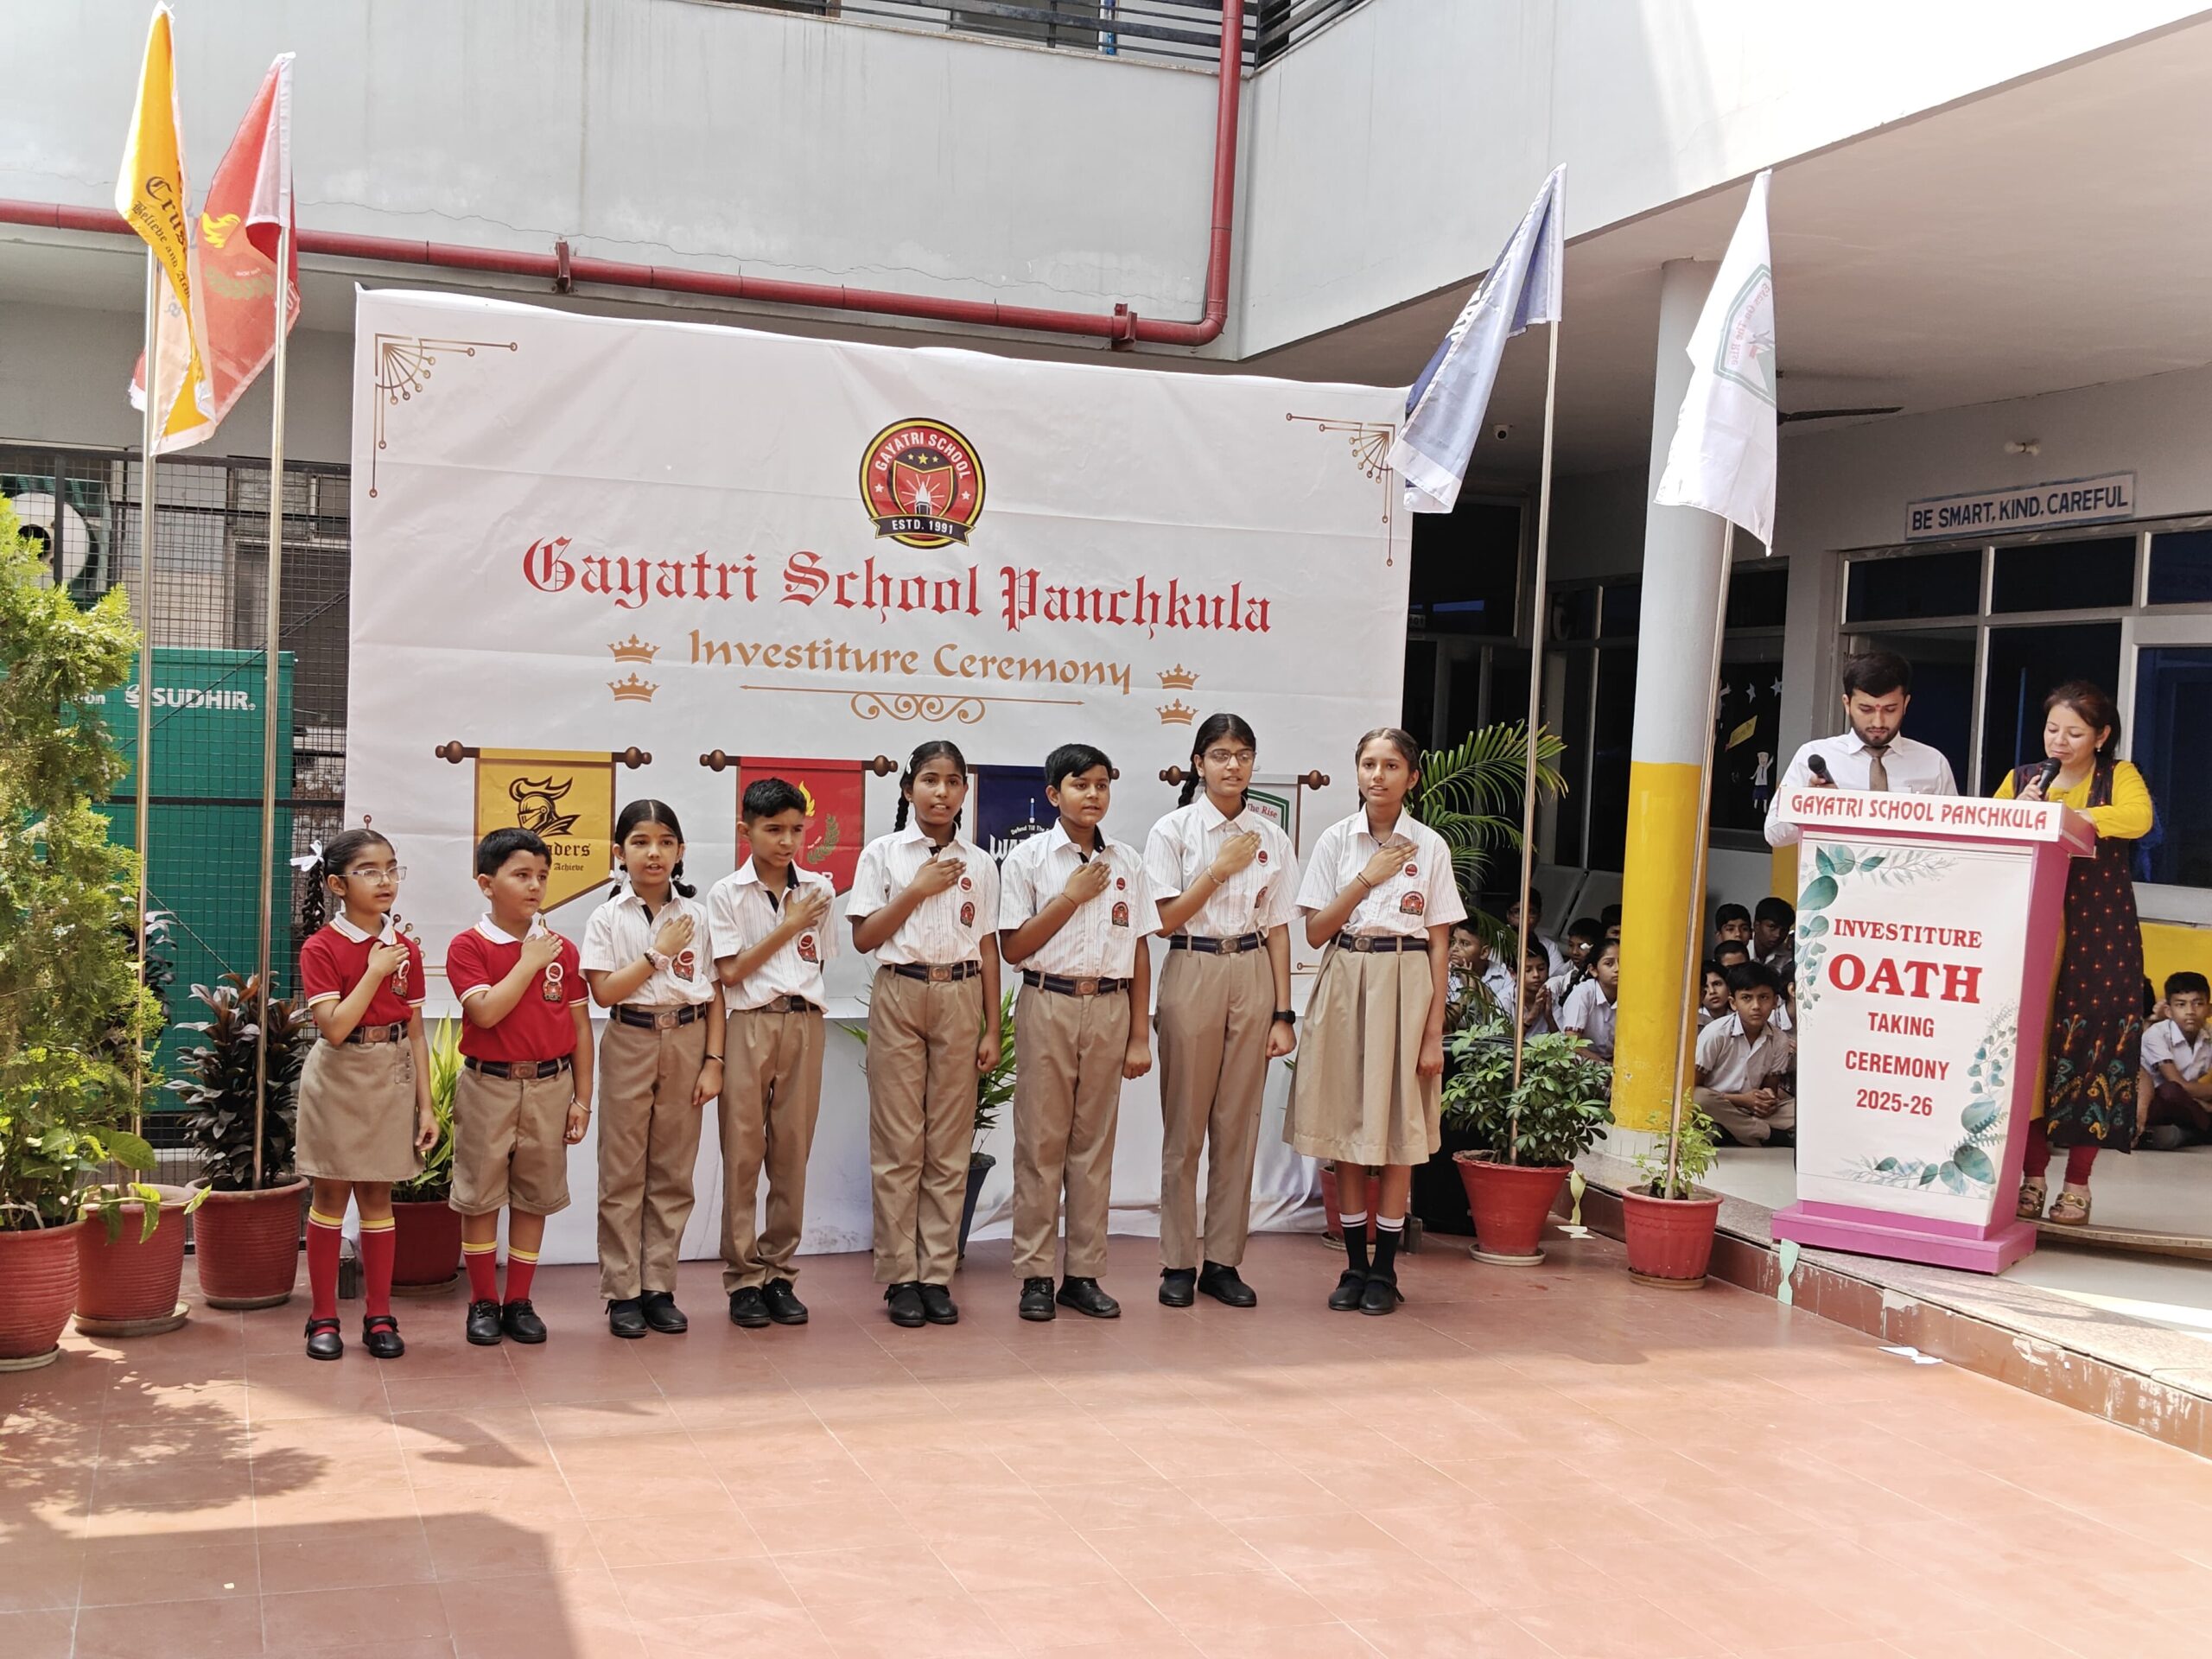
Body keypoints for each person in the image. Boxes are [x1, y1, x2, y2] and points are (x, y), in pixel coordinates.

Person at [1285, 727, 1464, 1317]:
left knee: (1396, 1131)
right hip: (1346, 976)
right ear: (1356, 771)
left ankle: (1385, 1270)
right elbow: (1315, 932)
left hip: (1406, 981)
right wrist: (1368, 877)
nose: (1377, 775)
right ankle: (1354, 1266)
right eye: (1368, 764)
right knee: (1348, 1129)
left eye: (1391, 765)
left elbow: (1439, 945)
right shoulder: (1336, 841)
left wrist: (1433, 1034)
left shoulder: (1430, 846)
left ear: (1412, 777)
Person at [1145, 714, 1299, 1310]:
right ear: (1199, 763)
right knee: (1184, 1125)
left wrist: (1283, 1012)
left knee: (1238, 1126)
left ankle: (1223, 1261)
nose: (1232, 766)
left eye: (1242, 755)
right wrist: (1218, 870)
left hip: (1252, 969)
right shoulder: (1174, 830)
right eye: (1219, 755)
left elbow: (1279, 929)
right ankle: (1177, 1261)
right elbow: (1163, 921)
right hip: (1193, 964)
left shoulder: (1272, 836)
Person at [847, 741, 1002, 1329]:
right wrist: (918, 888)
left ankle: (936, 1273)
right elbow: (865, 938)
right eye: (930, 780)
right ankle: (900, 1277)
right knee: (899, 1141)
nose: (942, 792)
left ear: (964, 790)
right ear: (909, 788)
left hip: (961, 993)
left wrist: (991, 1026)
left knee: (949, 1142)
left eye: (953, 781)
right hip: (902, 990)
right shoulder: (883, 854)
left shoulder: (981, 862)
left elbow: (987, 946)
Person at [998, 743, 1154, 1322]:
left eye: (1101, 785)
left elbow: (1140, 950)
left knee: (1093, 1146)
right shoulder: (1029, 859)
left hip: (1110, 1005)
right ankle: (1036, 1275)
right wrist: (1071, 897)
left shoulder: (1127, 861)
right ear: (1053, 794)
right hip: (1049, 1001)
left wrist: (1139, 1035)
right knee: (1041, 1144)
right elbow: (1013, 947)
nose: (1092, 795)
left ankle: (1084, 1274)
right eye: (1080, 785)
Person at [2001, 683, 2152, 1226]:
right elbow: (1987, 832)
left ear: (2101, 736)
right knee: (2029, 1048)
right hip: (2032, 929)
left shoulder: (2119, 776)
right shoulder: (2023, 778)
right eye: (2052, 730)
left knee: (2093, 1050)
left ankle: (2078, 1185)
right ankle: (2032, 1177)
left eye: (2074, 733)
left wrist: (2062, 817)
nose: (2059, 742)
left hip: (2100, 933)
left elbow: (2137, 819)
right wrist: (2017, 813)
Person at [294, 828, 438, 1361]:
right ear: (337, 884)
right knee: (330, 1197)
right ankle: (323, 1317)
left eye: (392, 869)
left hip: (391, 1075)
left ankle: (379, 1315)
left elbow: (416, 1031)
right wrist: (376, 971)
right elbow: (333, 1027)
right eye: (370, 871)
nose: (386, 880)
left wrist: (427, 1105)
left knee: (379, 1198)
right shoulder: (321, 947)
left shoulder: (406, 950)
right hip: (338, 1077)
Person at [445, 829, 594, 1346]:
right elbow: (485, 1012)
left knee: (535, 1197)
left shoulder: (562, 950)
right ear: (486, 884)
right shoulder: (468, 946)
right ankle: (483, 1300)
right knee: (480, 1197)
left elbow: (580, 1029)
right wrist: (529, 961)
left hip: (551, 1085)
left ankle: (519, 1301)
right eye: (521, 875)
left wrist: (582, 1099)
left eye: (542, 876)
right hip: (489, 1085)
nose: (535, 886)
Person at [581, 801, 721, 1340]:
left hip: (687, 1038)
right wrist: (657, 955)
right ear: (619, 853)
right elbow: (603, 992)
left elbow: (715, 994)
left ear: (681, 851)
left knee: (673, 1170)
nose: (653, 853)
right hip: (630, 1038)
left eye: (665, 842)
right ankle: (622, 1291)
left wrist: (713, 1060)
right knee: (622, 1171)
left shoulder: (697, 916)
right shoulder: (607, 917)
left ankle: (658, 1287)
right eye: (640, 842)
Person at [1765, 651, 1961, 848]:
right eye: (1866, 710)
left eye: (1890, 709)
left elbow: (1955, 841)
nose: (1878, 722)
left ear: (1905, 704)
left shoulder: (1933, 763)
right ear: (1847, 703)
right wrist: (1806, 805)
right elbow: (1773, 835)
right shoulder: (1814, 755)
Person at [1694, 961, 1795, 1147]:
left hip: (1752, 1110)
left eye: (1763, 997)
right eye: (1747, 998)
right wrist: (1742, 1100)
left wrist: (1767, 1098)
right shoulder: (1716, 1033)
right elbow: (1693, 1087)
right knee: (1698, 1098)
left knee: (1799, 1110)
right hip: (1719, 1104)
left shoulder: (1779, 1039)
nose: (1756, 1006)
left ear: (1775, 1002)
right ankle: (1765, 1133)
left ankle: (1729, 1132)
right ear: (1733, 1003)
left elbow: (1770, 1087)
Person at [2139, 971, 2212, 1151]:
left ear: (2209, 1010)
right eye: (2181, 1005)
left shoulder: (2209, 1035)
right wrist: (2203, 1104)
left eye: (2198, 1004)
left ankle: (2182, 1134)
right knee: (2171, 1091)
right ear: (2169, 1011)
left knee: (2178, 1102)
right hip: (2153, 1103)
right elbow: (2178, 1085)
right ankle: (2204, 1132)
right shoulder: (2156, 1034)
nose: (2190, 1011)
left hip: (2187, 1106)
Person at [1560, 938, 1621, 1063]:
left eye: (1623, 962)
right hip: (1582, 1065)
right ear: (1593, 970)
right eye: (1609, 964)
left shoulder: (1631, 995)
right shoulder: (1583, 993)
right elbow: (1572, 1045)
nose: (1617, 969)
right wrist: (1608, 1067)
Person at [1506, 888, 1566, 976]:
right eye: (1517, 912)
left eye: (1531, 912)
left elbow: (1558, 979)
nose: (1524, 917)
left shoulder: (1549, 947)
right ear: (1508, 915)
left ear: (1539, 917)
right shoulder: (1494, 941)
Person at [1513, 942, 1558, 1038]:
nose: (1536, 975)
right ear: (1513, 974)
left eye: (1541, 969)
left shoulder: (1555, 998)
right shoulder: (1505, 1000)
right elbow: (1503, 1042)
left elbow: (1564, 1043)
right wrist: (1532, 1016)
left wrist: (1549, 1018)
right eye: (1528, 970)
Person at [1752, 896, 1796, 982]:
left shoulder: (1787, 957)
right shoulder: (1740, 950)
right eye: (1772, 927)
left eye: (1784, 930)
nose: (1778, 935)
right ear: (1756, 926)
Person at [1697, 960, 1729, 1028]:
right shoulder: (1694, 1019)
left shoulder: (1740, 1017)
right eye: (1706, 987)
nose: (1712, 991)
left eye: (1717, 984)